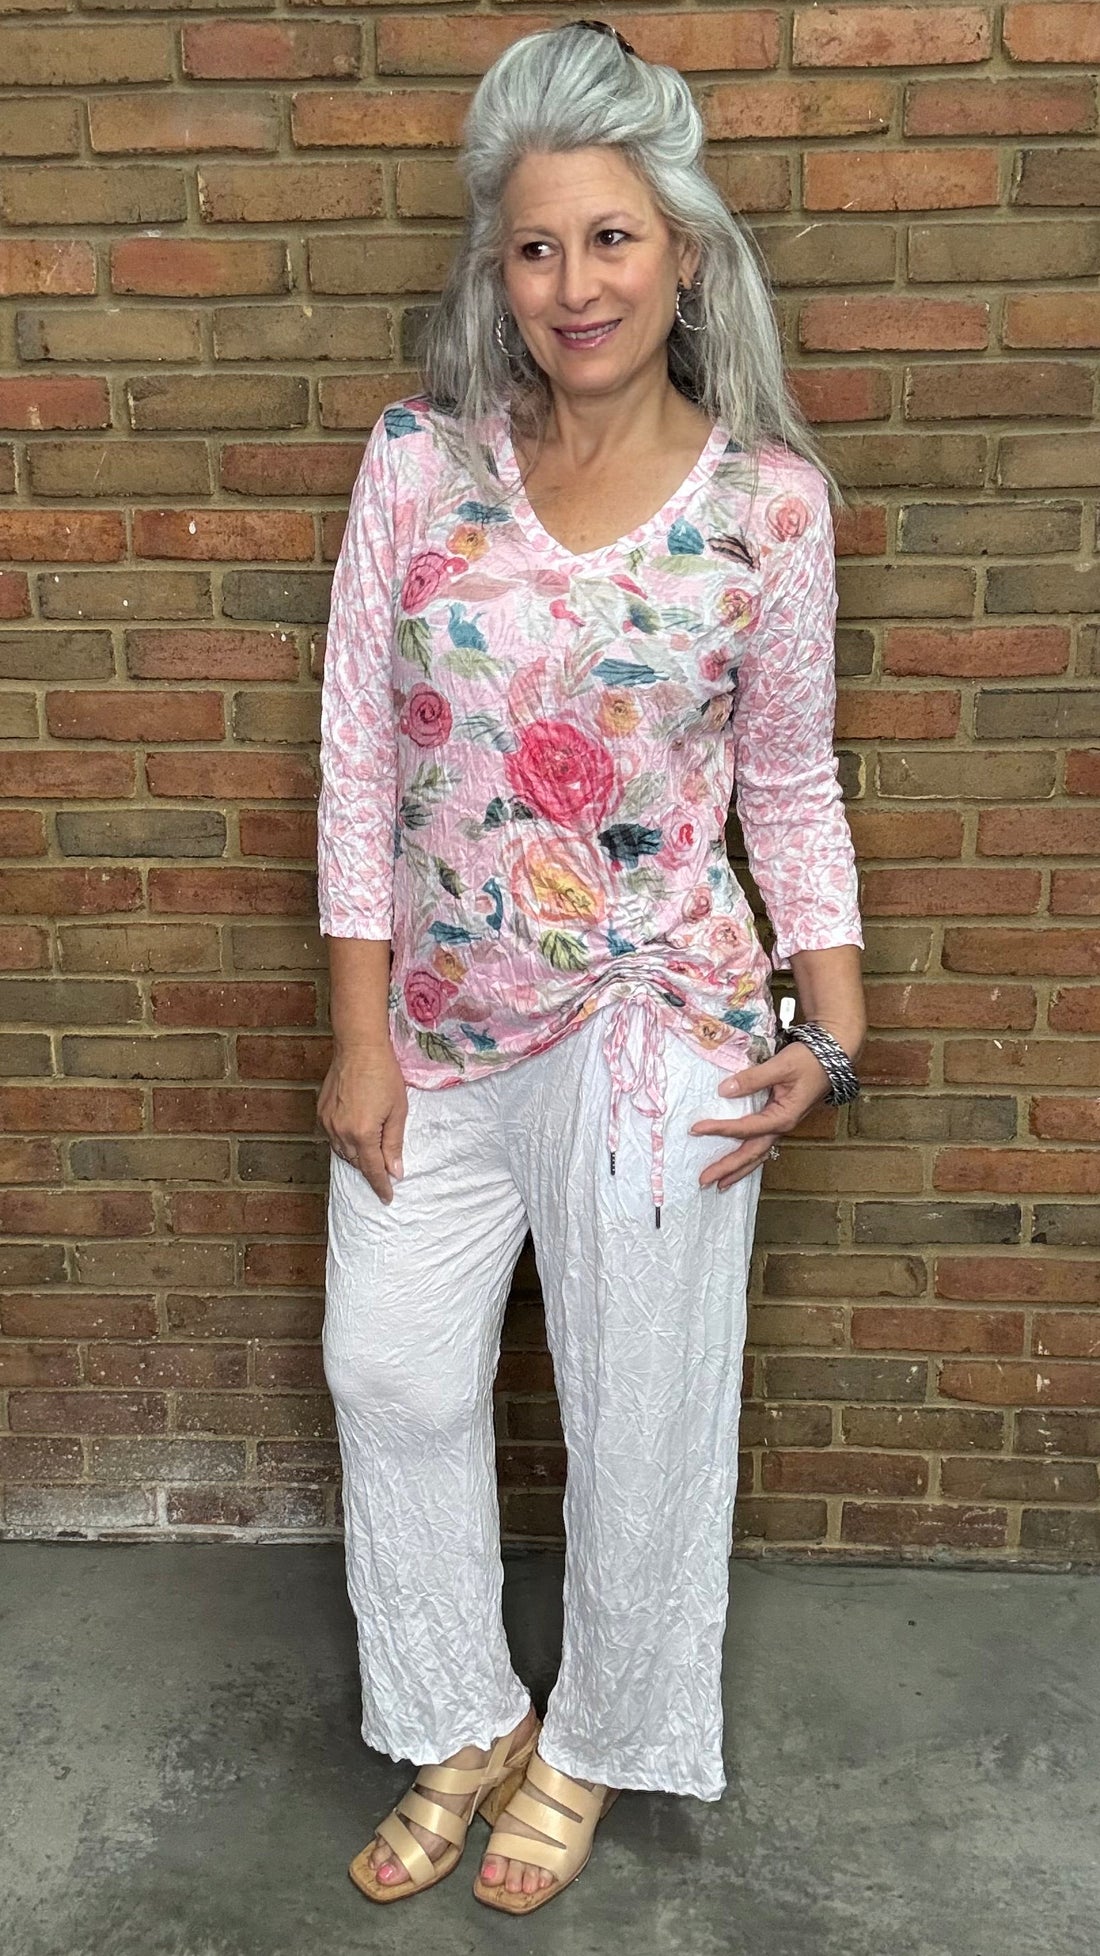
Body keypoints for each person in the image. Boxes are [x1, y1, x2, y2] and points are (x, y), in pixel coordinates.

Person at [315, 17, 866, 1918]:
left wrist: (835, 1020)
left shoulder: (769, 509)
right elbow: (357, 761)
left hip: (661, 1018)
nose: (575, 284)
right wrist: (358, 1037)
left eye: (612, 240)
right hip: (439, 1025)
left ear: (683, 256)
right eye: (538, 247)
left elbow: (787, 783)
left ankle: (596, 1740)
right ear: (500, 270)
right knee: (389, 1370)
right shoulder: (419, 467)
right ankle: (460, 1711)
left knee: (643, 1419)